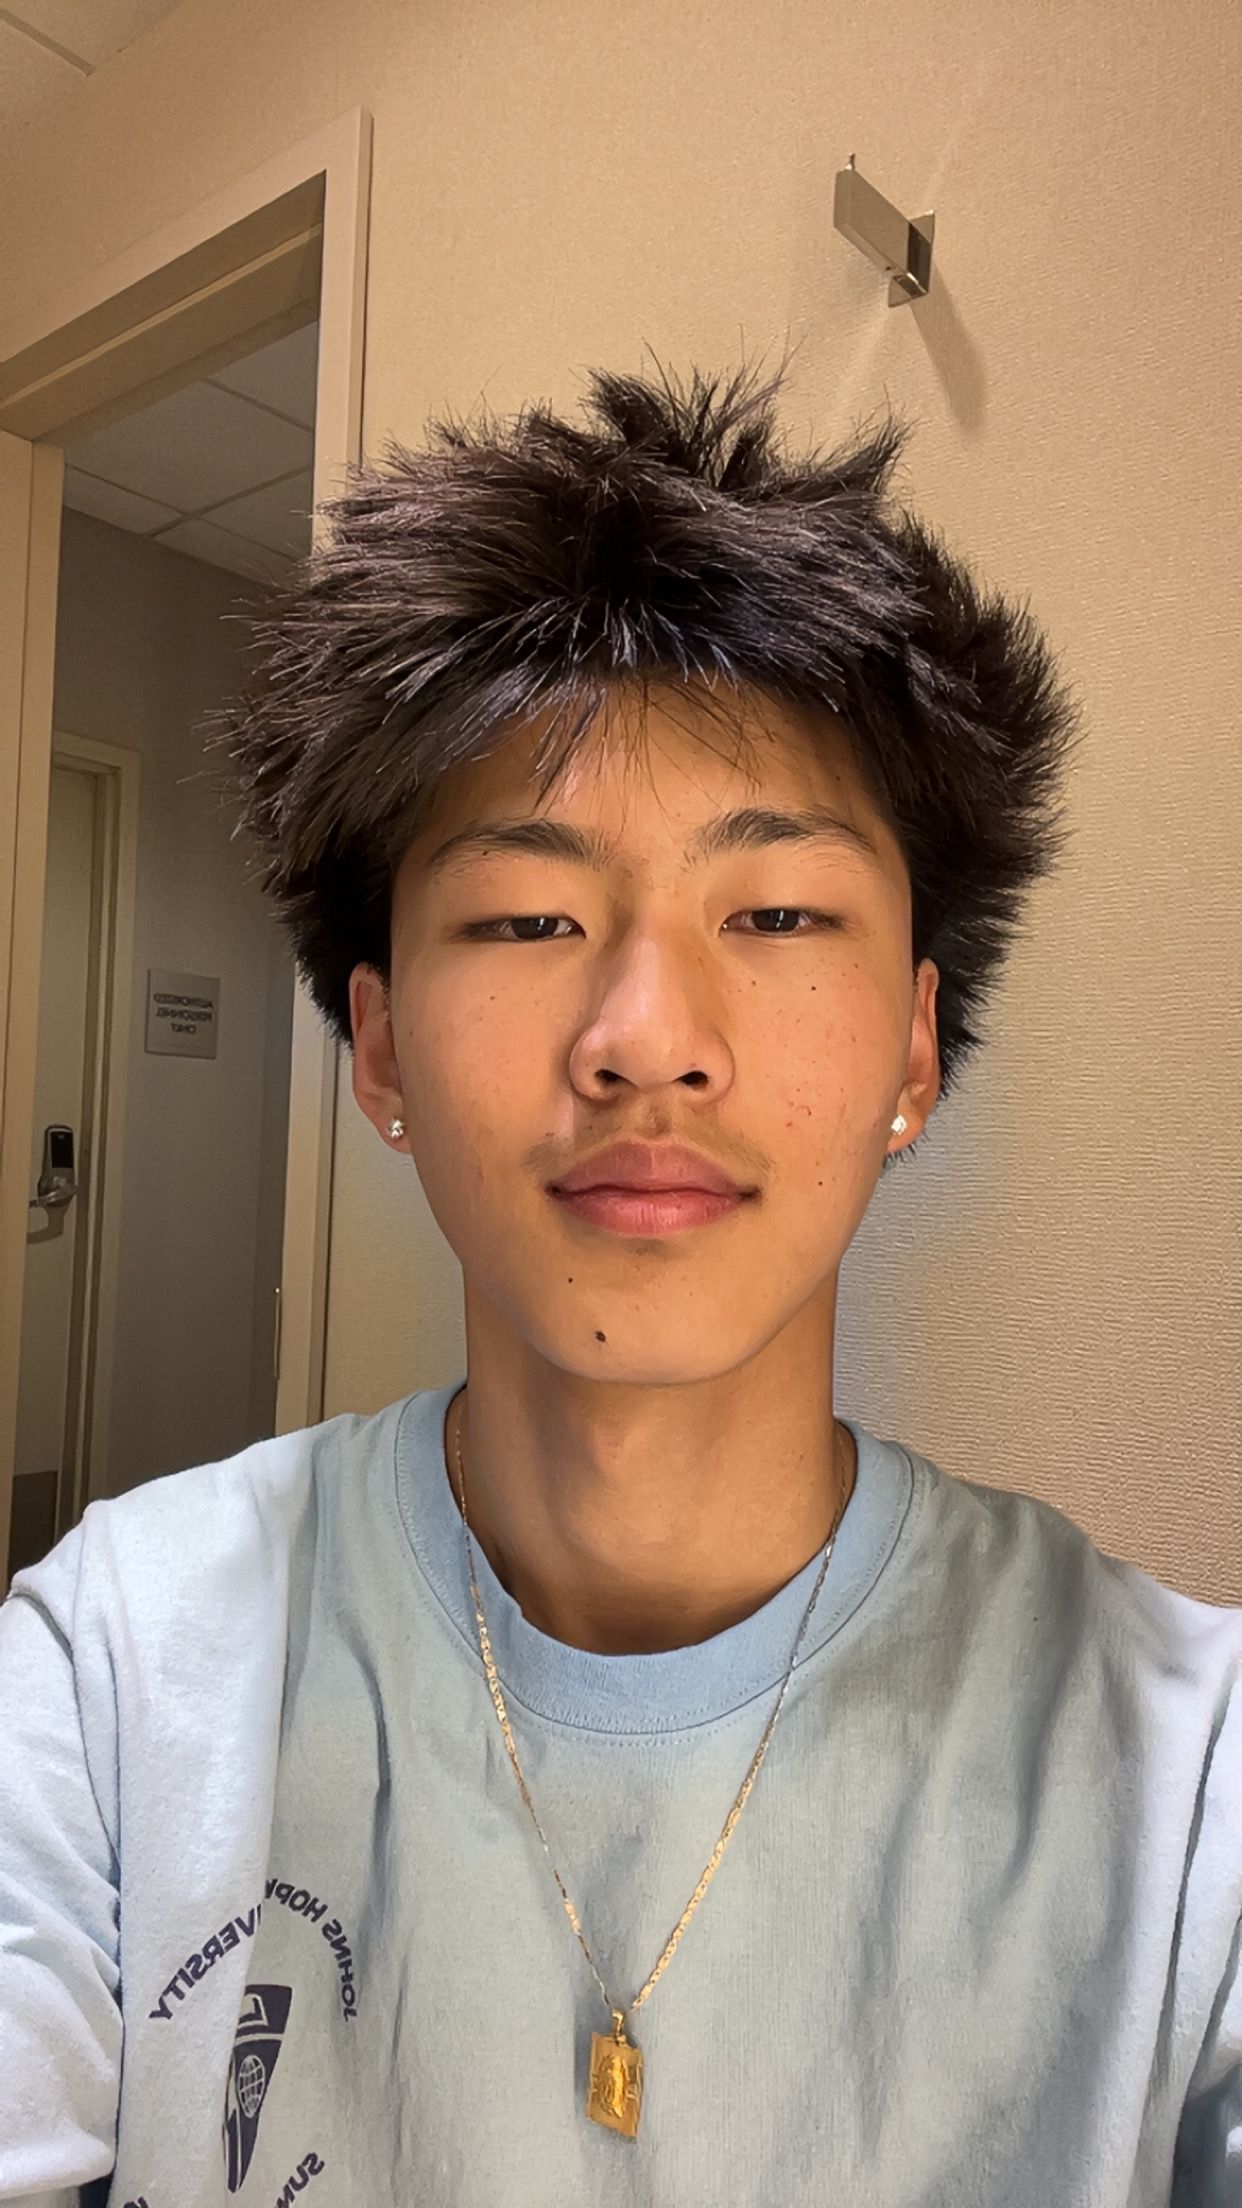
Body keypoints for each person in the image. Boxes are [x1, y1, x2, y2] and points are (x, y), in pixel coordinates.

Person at [1, 360, 1237, 2206]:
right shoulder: (112, 1673)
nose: (645, 1040)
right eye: (524, 919)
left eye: (777, 914)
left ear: (913, 1047)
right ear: (384, 1052)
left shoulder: (1188, 1778)